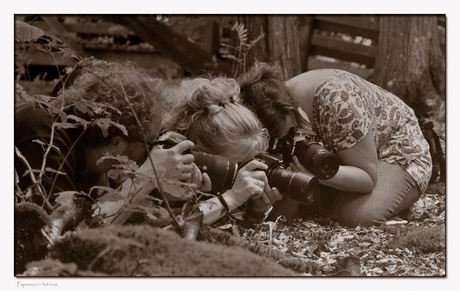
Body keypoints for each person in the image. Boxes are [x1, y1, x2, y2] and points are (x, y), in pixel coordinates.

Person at [237, 62, 432, 227]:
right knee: (304, 208)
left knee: (353, 215)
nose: (294, 136)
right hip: (342, 157)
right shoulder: (269, 101)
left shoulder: (338, 102)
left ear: (292, 107)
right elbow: (283, 215)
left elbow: (367, 178)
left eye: (293, 128)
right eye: (284, 137)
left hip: (398, 151)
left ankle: (397, 195)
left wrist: (313, 176)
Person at [15, 59, 197, 213]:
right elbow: (58, 237)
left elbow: (103, 220)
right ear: (115, 144)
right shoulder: (41, 137)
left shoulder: (92, 164)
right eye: (150, 142)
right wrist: (148, 176)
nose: (153, 150)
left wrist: (169, 198)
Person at [161, 76, 283, 224]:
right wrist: (231, 198)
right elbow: (173, 229)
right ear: (200, 157)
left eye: (251, 162)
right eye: (238, 165)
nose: (245, 176)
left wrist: (255, 210)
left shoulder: (223, 186)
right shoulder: (160, 174)